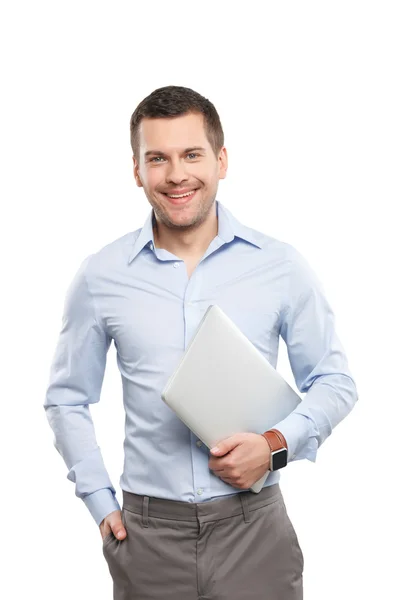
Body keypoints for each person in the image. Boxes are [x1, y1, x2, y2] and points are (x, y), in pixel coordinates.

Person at [43, 85, 358, 599]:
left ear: (222, 159)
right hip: (147, 538)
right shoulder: (101, 276)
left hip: (254, 531)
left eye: (192, 154)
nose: (176, 174)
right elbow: (66, 398)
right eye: (157, 158)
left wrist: (274, 447)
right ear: (137, 170)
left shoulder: (280, 266)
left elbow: (335, 381)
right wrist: (101, 502)